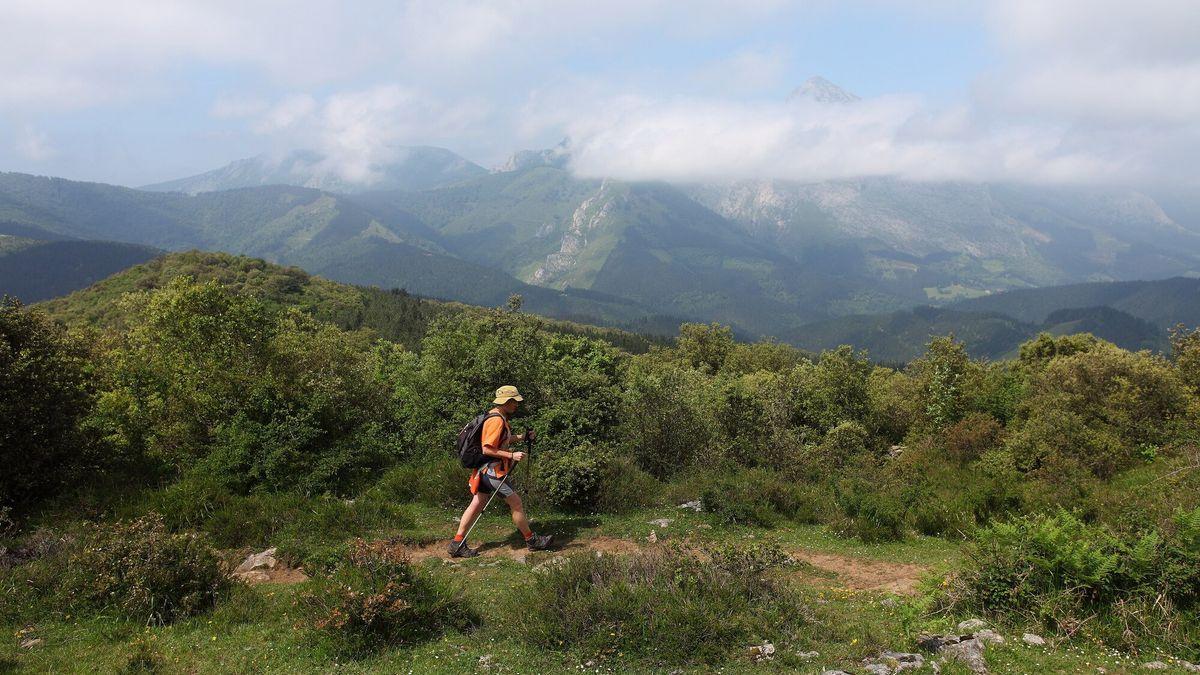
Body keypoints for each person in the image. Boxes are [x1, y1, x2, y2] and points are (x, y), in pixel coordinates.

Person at [448, 385, 553, 557]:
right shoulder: (497, 420)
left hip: (483, 471)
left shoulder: (496, 416)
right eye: (513, 401)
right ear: (505, 402)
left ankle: (457, 543)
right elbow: (487, 449)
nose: (516, 405)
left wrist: (521, 437)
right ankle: (532, 540)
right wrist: (512, 455)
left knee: (477, 503)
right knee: (516, 503)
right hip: (492, 471)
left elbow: (501, 440)